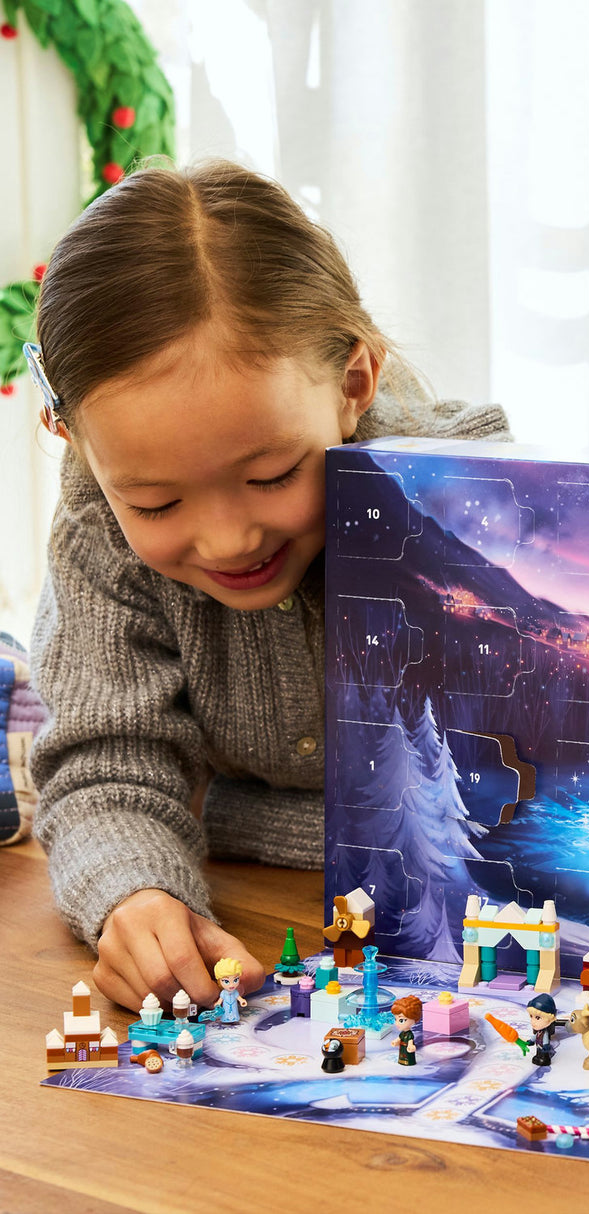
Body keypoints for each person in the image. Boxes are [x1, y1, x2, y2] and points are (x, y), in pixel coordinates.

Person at [28, 160, 510, 1014]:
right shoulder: (98, 526)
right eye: (157, 500)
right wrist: (135, 891)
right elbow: (105, 763)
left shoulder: (465, 498)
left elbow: (497, 802)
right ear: (74, 441)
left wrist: (232, 815)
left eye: (273, 474)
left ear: (355, 384)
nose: (229, 538)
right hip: (270, 917)